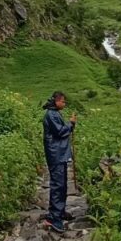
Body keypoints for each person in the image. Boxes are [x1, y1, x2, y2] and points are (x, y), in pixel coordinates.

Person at [42, 91, 77, 233]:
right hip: (55, 153)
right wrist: (71, 124)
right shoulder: (51, 115)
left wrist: (70, 125)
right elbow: (60, 132)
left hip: (59, 153)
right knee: (57, 184)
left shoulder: (55, 113)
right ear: (56, 101)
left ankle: (59, 211)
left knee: (62, 184)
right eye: (62, 101)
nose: (64, 103)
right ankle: (53, 218)